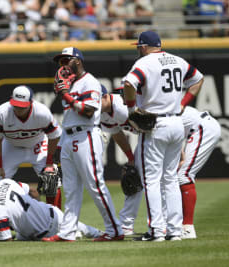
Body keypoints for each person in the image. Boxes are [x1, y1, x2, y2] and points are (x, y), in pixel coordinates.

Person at [123, 31, 204, 241]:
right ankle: (175, 231)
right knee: (170, 179)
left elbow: (129, 84)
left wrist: (131, 109)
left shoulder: (145, 62)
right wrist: (183, 103)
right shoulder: (178, 60)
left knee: (151, 180)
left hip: (154, 123)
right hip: (177, 122)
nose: (137, 49)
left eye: (138, 46)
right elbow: (198, 79)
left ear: (143, 46)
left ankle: (157, 231)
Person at [42, 47, 124, 242]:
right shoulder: (70, 84)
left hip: (86, 134)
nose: (62, 65)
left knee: (95, 185)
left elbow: (88, 111)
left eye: (66, 60)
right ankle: (67, 232)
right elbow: (70, 115)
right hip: (70, 136)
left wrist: (67, 96)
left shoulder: (90, 81)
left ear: (77, 61)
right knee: (71, 189)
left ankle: (115, 230)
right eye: (60, 61)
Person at [0, 176, 103, 241]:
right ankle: (101, 233)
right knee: (92, 231)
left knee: (76, 233)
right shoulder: (4, 182)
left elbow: (6, 240)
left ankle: (75, 234)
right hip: (51, 211)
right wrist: (34, 212)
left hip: (44, 233)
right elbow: (33, 191)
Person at [0, 85, 62, 207]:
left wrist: (49, 163)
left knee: (51, 180)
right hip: (11, 145)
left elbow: (54, 136)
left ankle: (56, 220)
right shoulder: (2, 112)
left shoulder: (42, 112)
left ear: (30, 103)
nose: (18, 109)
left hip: (37, 144)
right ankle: (1, 222)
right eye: (15, 105)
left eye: (22, 106)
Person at [100, 84, 141, 236]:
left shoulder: (122, 107)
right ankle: (126, 224)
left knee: (157, 179)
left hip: (158, 135)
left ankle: (165, 223)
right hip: (147, 138)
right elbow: (117, 133)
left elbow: (152, 125)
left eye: (96, 100)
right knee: (134, 176)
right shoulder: (103, 113)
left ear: (105, 96)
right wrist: (130, 157)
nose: (93, 105)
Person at [178, 106, 221, 239]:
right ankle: (177, 225)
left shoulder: (154, 105)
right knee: (177, 175)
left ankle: (187, 228)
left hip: (202, 128)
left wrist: (182, 157)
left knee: (184, 175)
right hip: (196, 128)